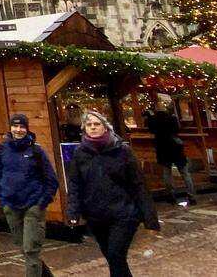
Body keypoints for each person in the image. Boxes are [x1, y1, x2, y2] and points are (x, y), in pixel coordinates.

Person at [66, 110, 160, 277]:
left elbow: (139, 184)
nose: (93, 127)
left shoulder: (122, 150)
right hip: (96, 215)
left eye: (97, 124)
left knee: (116, 254)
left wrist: (149, 218)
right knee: (112, 258)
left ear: (105, 127)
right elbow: (75, 184)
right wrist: (73, 211)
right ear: (84, 129)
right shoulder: (80, 153)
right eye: (89, 125)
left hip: (123, 214)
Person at [0, 114, 59, 277]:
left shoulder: (36, 151)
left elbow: (51, 179)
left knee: (31, 250)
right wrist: (2, 199)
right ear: (10, 127)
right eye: (15, 126)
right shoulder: (1, 149)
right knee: (23, 248)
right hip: (11, 206)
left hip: (33, 205)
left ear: (27, 129)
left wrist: (42, 202)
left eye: (22, 127)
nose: (18, 130)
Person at [145, 104, 197, 206]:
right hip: (175, 148)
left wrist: (150, 117)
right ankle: (192, 196)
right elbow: (177, 130)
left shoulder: (153, 120)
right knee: (185, 173)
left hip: (162, 148)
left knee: (166, 173)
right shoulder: (172, 119)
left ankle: (171, 195)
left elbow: (150, 129)